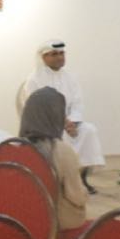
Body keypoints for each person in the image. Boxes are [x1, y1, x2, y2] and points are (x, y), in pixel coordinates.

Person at [18, 40, 105, 194]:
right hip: (46, 127)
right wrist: (63, 122)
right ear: (43, 57)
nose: (59, 57)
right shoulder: (34, 80)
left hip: (70, 123)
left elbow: (78, 102)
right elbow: (37, 109)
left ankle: (81, 179)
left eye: (61, 53)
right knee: (61, 137)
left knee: (89, 130)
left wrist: (73, 121)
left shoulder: (70, 77)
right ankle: (60, 181)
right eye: (54, 54)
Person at [20, 87, 88, 231]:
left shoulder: (11, 148)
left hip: (20, 222)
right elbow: (77, 197)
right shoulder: (62, 151)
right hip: (57, 224)